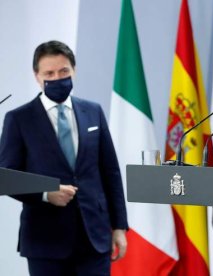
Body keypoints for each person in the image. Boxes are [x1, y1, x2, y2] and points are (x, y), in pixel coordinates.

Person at [0, 40, 128, 275]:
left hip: (94, 239)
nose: (57, 78)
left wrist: (119, 227)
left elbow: (110, 171)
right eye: (49, 73)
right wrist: (46, 193)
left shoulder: (93, 112)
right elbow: (6, 177)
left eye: (63, 72)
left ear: (74, 71)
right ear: (37, 76)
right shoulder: (19, 119)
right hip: (45, 241)